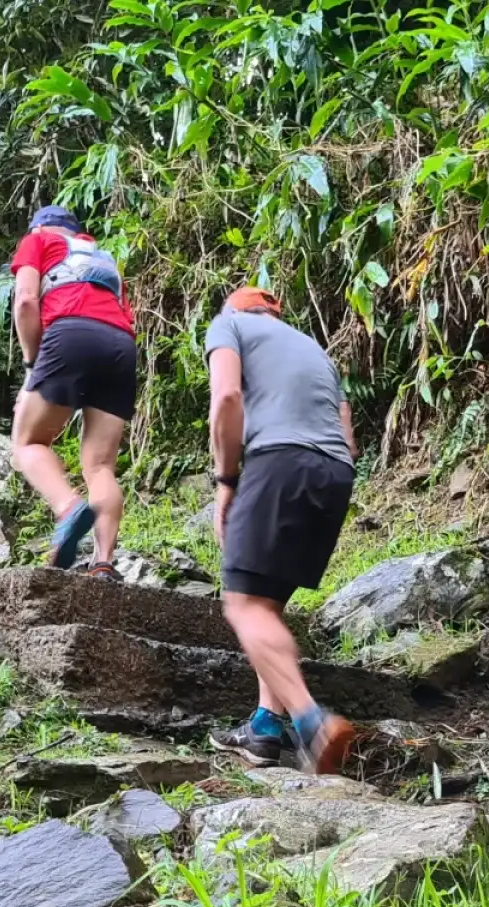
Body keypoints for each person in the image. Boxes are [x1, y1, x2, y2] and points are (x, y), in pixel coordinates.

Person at [203, 287, 361, 774]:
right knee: (266, 602)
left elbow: (227, 397)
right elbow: (347, 430)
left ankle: (312, 720)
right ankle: (265, 727)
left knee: (242, 605)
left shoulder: (228, 325)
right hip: (334, 474)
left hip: (280, 462)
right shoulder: (315, 351)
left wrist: (226, 481)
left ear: (234, 310)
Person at [7, 205, 137, 579]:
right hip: (121, 345)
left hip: (70, 333)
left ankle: (68, 508)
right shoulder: (103, 257)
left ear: (40, 227)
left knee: (27, 442)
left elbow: (26, 301)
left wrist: (32, 367)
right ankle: (103, 563)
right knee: (100, 465)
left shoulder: (37, 241)